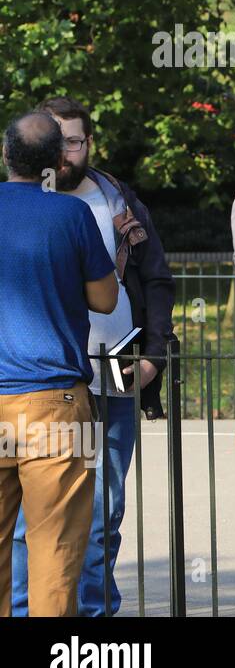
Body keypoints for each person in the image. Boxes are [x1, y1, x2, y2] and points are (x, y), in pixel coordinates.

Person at [10, 97, 177, 618]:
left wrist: (153, 356)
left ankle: (95, 612)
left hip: (113, 372)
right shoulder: (58, 212)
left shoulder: (115, 202)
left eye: (76, 141)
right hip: (54, 386)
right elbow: (101, 295)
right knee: (39, 527)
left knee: (103, 512)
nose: (67, 153)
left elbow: (156, 279)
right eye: (59, 142)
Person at [1, 112, 117, 617]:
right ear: (56, 160)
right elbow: (106, 300)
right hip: (55, 404)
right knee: (55, 551)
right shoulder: (71, 217)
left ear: (5, 154)